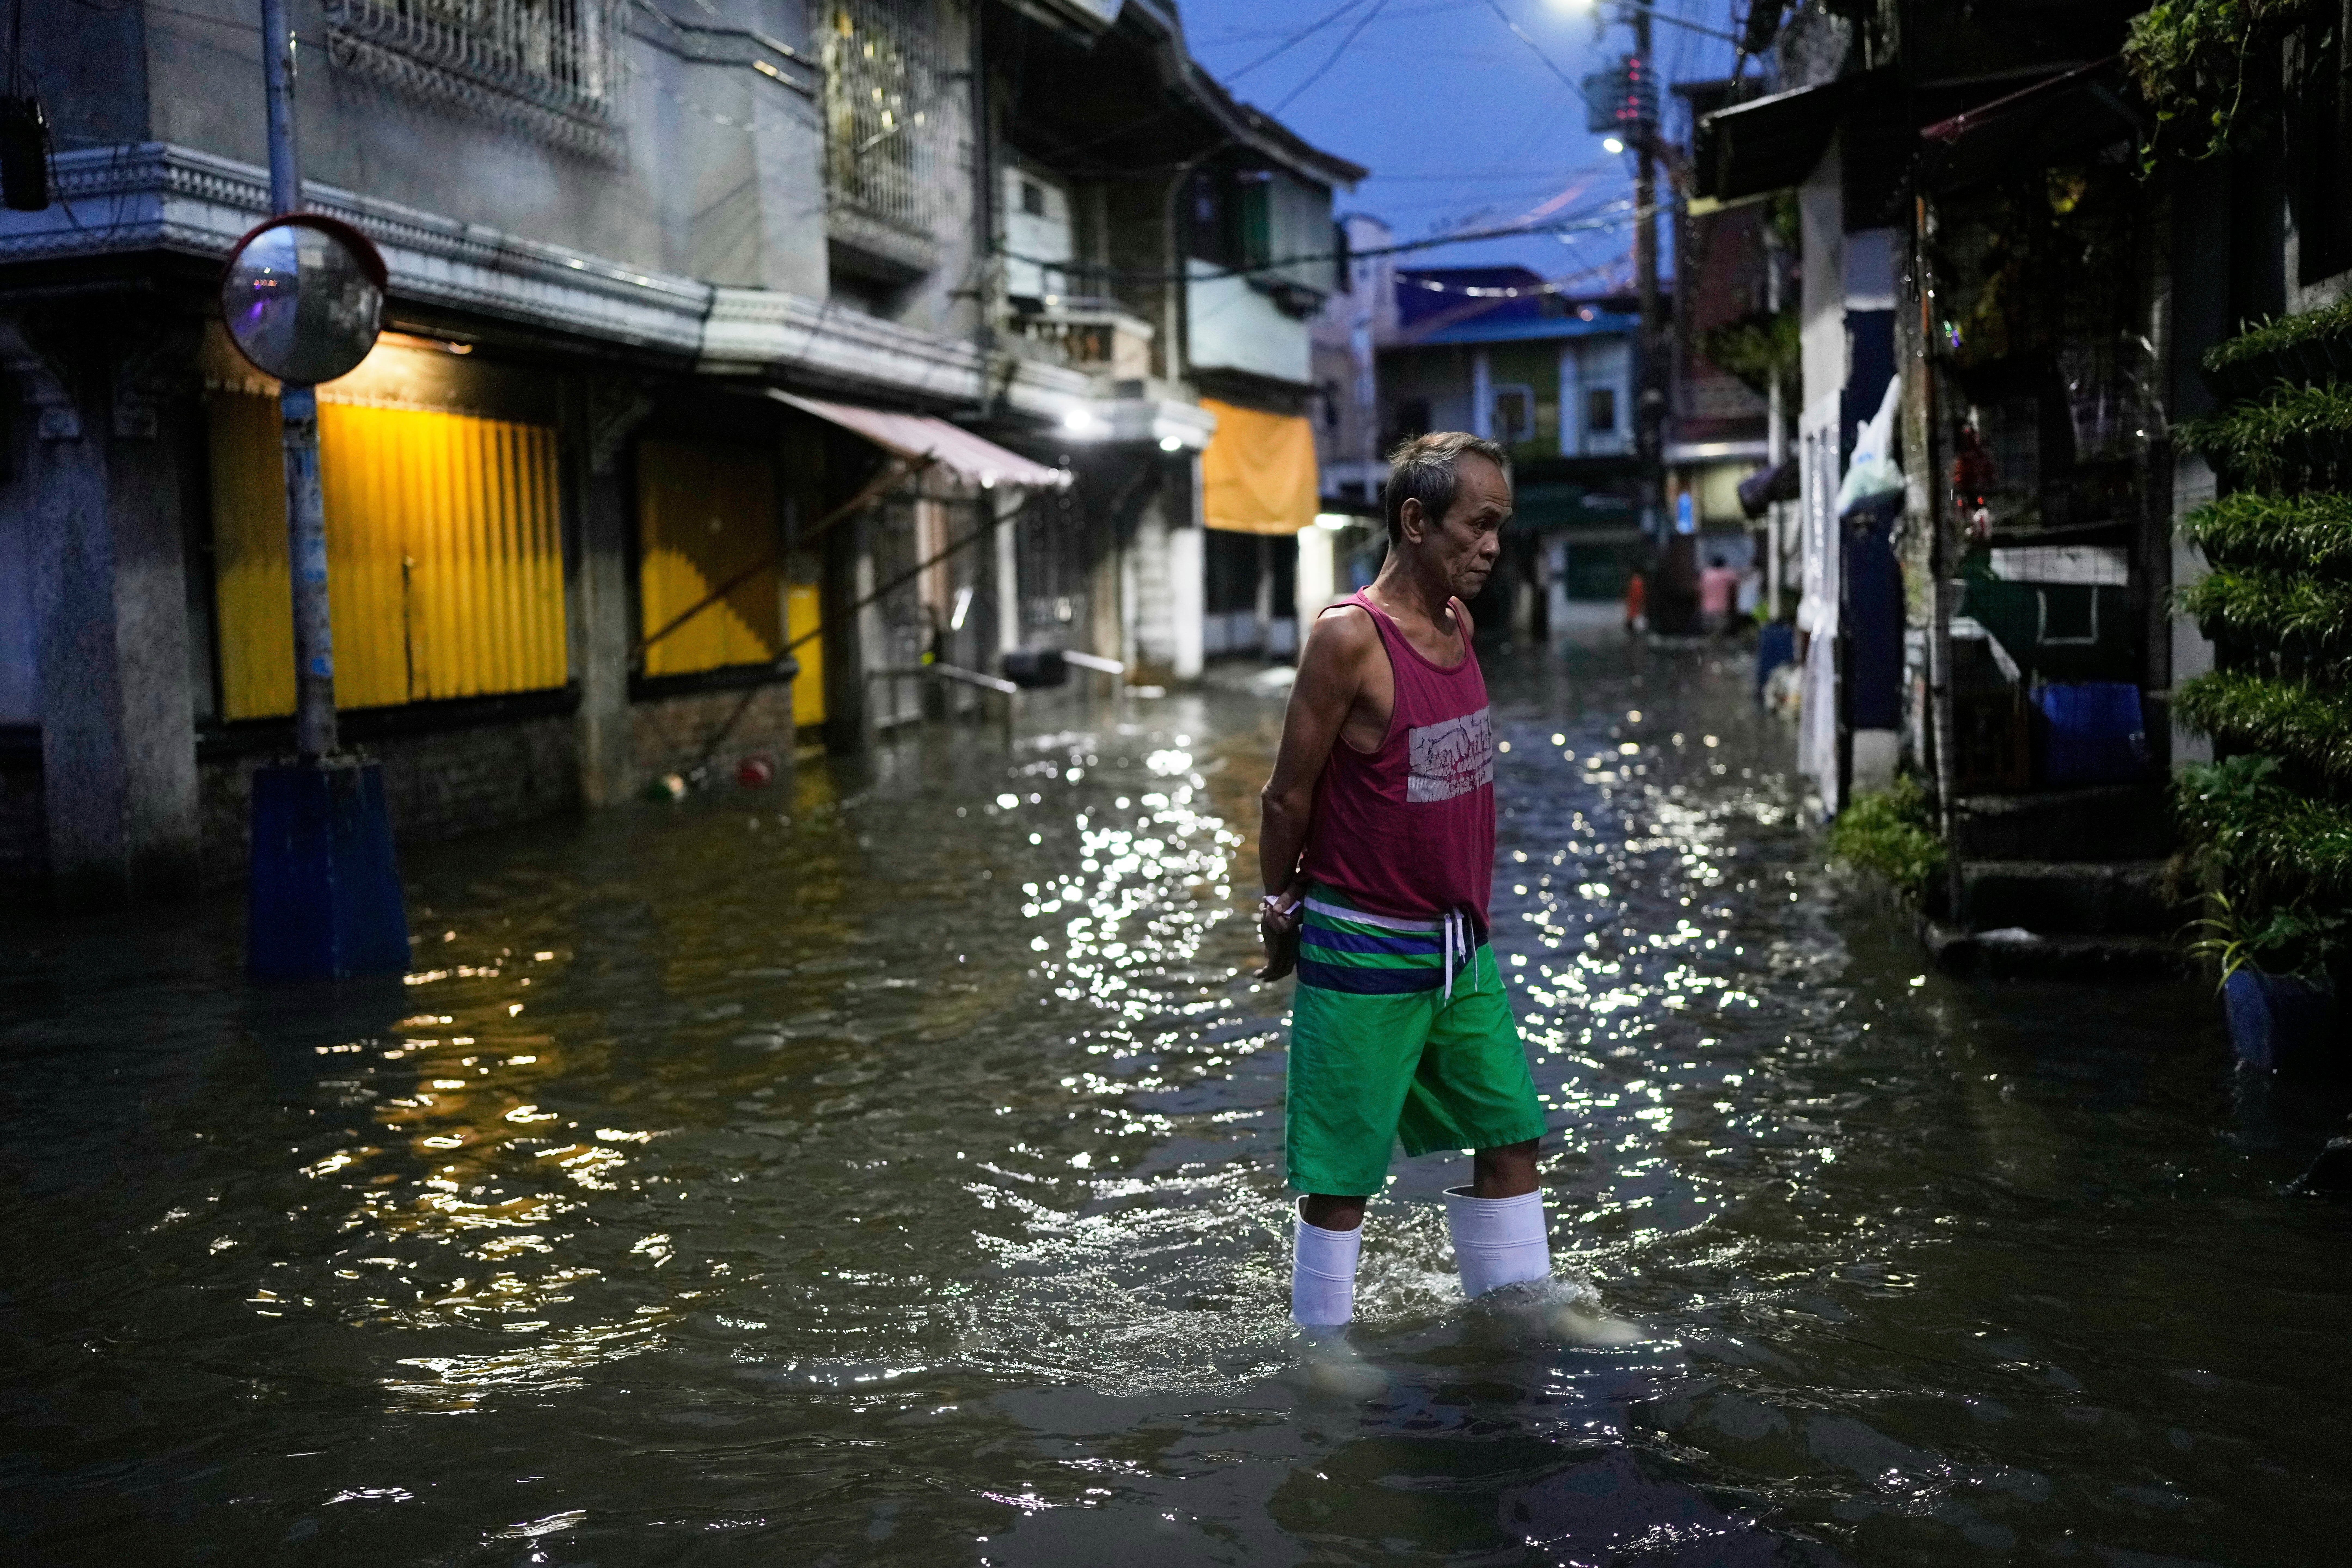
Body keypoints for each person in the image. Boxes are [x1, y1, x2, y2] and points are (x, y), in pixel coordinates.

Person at [1254, 431, 1552, 1338]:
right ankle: (1323, 1342)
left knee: (1510, 1133)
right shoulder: (1350, 638)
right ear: (1416, 521)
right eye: (1479, 525)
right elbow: (1287, 794)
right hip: (1363, 943)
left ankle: (1520, 1315)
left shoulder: (1458, 626)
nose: (1493, 546)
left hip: (1460, 948)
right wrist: (1278, 910)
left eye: (1500, 526)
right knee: (1341, 1175)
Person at [1698, 554, 1741, 637]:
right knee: (1720, 635)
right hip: (1722, 608)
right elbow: (1736, 585)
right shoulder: (1727, 574)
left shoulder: (1706, 575)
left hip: (1707, 609)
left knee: (1709, 633)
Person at [1622, 569, 1647, 636]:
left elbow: (1636, 596)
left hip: (1635, 608)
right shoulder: (1637, 582)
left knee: (1636, 620)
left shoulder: (1636, 582)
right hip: (1635, 607)